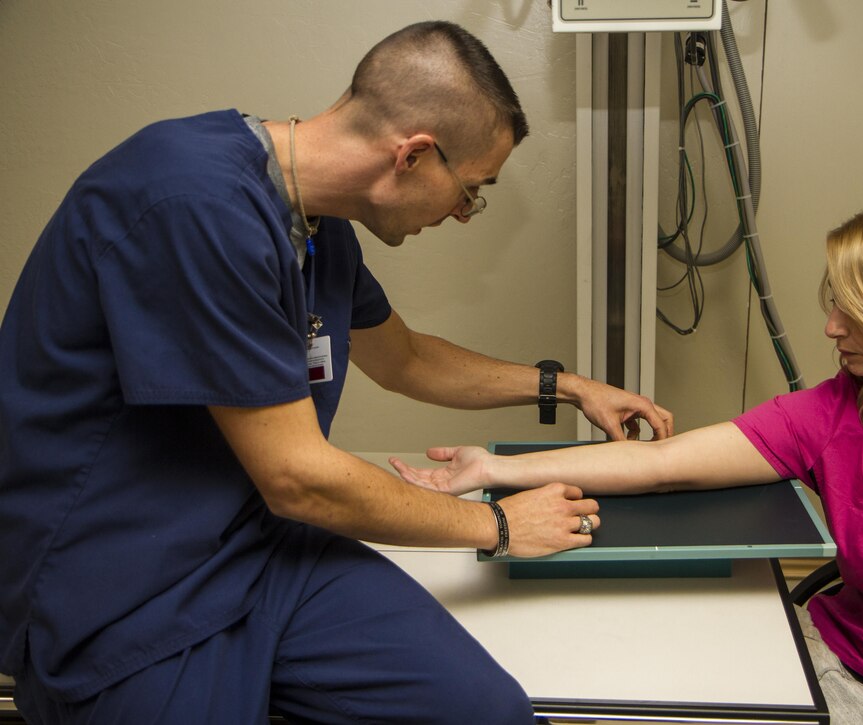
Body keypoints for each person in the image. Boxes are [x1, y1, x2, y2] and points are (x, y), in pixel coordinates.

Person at [0, 20, 674, 725]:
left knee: (489, 711)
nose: (465, 215)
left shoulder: (321, 229)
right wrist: (496, 524)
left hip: (256, 550)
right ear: (413, 154)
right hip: (123, 591)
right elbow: (298, 477)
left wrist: (566, 385)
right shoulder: (191, 203)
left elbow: (404, 358)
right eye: (471, 191)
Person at [394, 199, 863, 725]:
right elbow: (662, 463)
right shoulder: (838, 409)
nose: (830, 327)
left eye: (856, 310)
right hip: (831, 653)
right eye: (833, 303)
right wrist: (492, 470)